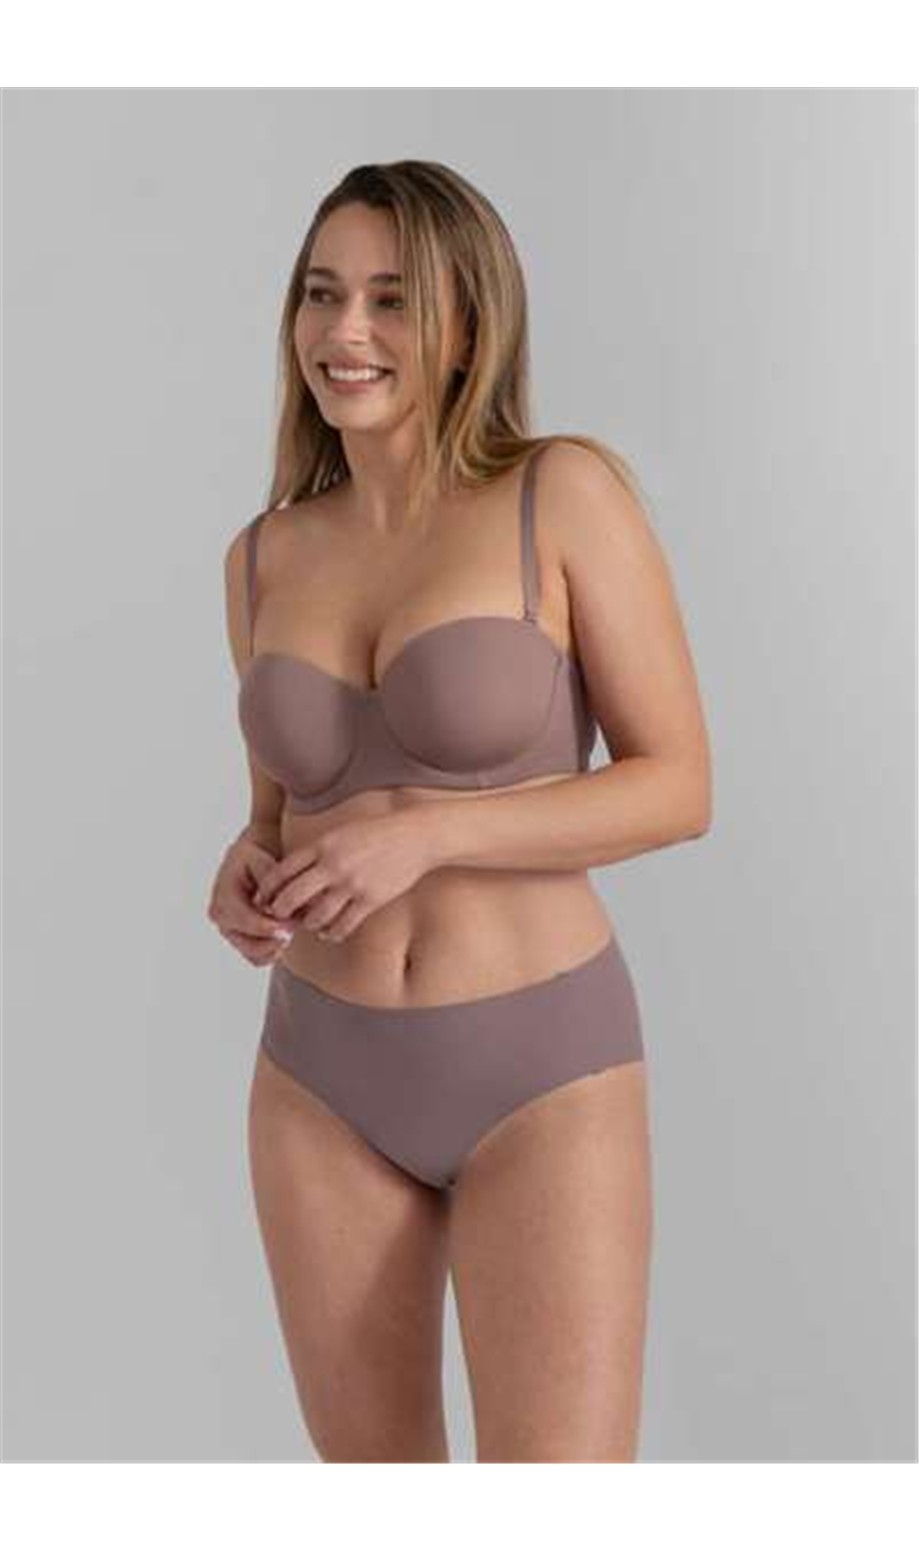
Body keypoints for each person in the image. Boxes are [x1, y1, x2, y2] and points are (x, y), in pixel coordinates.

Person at [207, 159, 711, 1463]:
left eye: (392, 298)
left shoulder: (560, 494)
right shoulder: (263, 556)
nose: (345, 330)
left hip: (541, 1067)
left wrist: (432, 832)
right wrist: (247, 869)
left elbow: (678, 784)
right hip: (317, 1077)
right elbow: (284, 812)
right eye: (322, 293)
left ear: (470, 327)